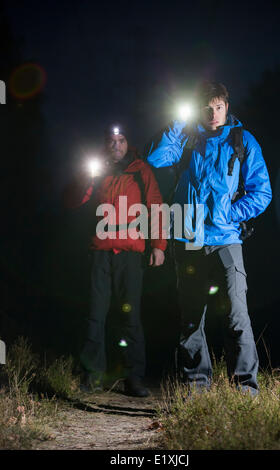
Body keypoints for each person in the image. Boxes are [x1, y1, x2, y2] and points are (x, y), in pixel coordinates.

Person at [146, 81, 272, 396]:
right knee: (191, 318)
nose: (213, 113)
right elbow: (156, 159)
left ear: (226, 107)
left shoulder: (243, 141)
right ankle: (195, 389)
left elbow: (262, 192)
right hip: (188, 238)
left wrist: (230, 213)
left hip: (226, 239)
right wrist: (177, 122)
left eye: (218, 106)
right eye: (206, 107)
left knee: (236, 314)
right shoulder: (188, 139)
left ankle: (245, 389)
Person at [64, 123, 166, 396]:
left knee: (130, 318)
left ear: (127, 143)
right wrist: (86, 175)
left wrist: (159, 245)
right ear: (105, 144)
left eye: (121, 140)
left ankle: (134, 379)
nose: (117, 146)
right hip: (100, 252)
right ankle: (91, 376)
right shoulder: (96, 171)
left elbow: (156, 207)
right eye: (112, 141)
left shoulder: (140, 170)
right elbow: (73, 200)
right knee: (95, 315)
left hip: (131, 255)